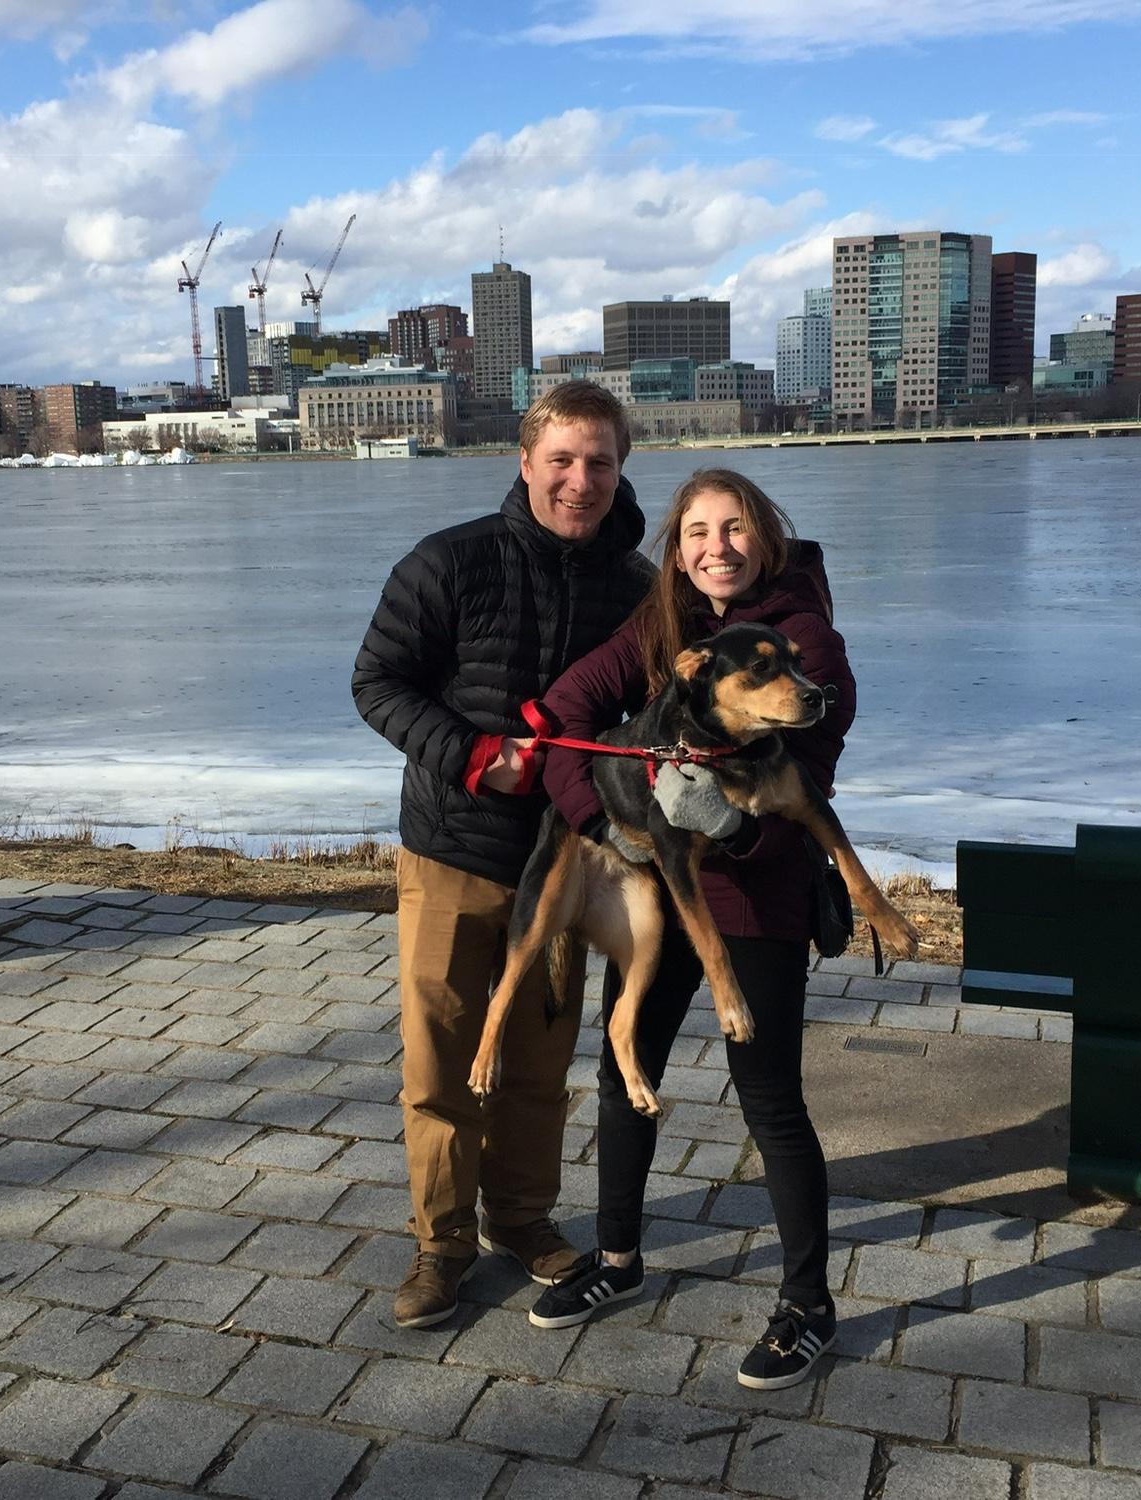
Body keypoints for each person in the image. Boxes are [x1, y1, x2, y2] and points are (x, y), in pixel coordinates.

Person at [525, 467, 855, 1391]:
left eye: (737, 527)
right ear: (676, 549)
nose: (718, 546)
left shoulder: (804, 641)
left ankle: (807, 1306)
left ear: (769, 538)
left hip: (758, 900)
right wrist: (606, 824)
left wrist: (731, 827)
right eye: (698, 531)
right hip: (659, 889)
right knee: (628, 1067)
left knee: (768, 1096)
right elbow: (564, 715)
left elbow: (809, 785)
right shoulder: (662, 630)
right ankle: (619, 1257)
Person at [351, 382, 656, 1329]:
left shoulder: (643, 590)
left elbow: (649, 718)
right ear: (524, 463)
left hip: (565, 867)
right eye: (562, 460)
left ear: (620, 470)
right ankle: (440, 1245)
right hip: (453, 849)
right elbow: (377, 682)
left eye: (599, 462)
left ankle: (521, 1220)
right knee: (441, 1060)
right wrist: (476, 756)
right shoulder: (450, 562)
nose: (580, 481)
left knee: (535, 1061)